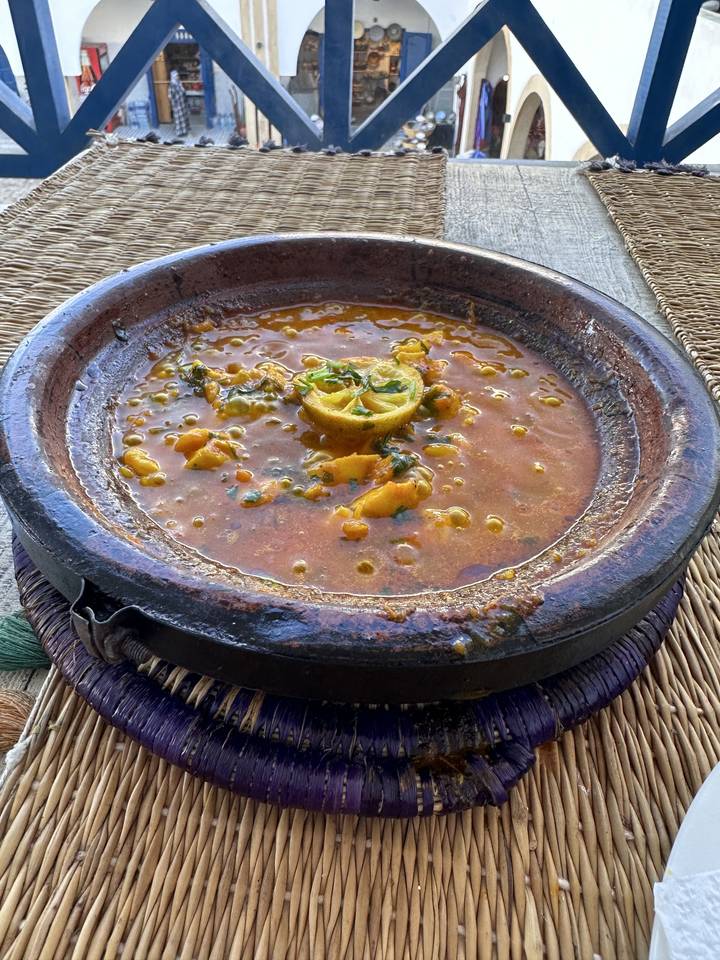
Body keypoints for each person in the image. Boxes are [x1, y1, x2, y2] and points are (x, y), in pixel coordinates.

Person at [168, 70, 190, 138]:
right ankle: (179, 132)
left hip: (182, 103)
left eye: (178, 75)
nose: (177, 77)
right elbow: (171, 95)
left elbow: (182, 90)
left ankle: (184, 131)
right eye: (176, 76)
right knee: (178, 118)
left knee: (183, 117)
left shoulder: (179, 82)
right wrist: (175, 100)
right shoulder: (172, 84)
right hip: (177, 104)